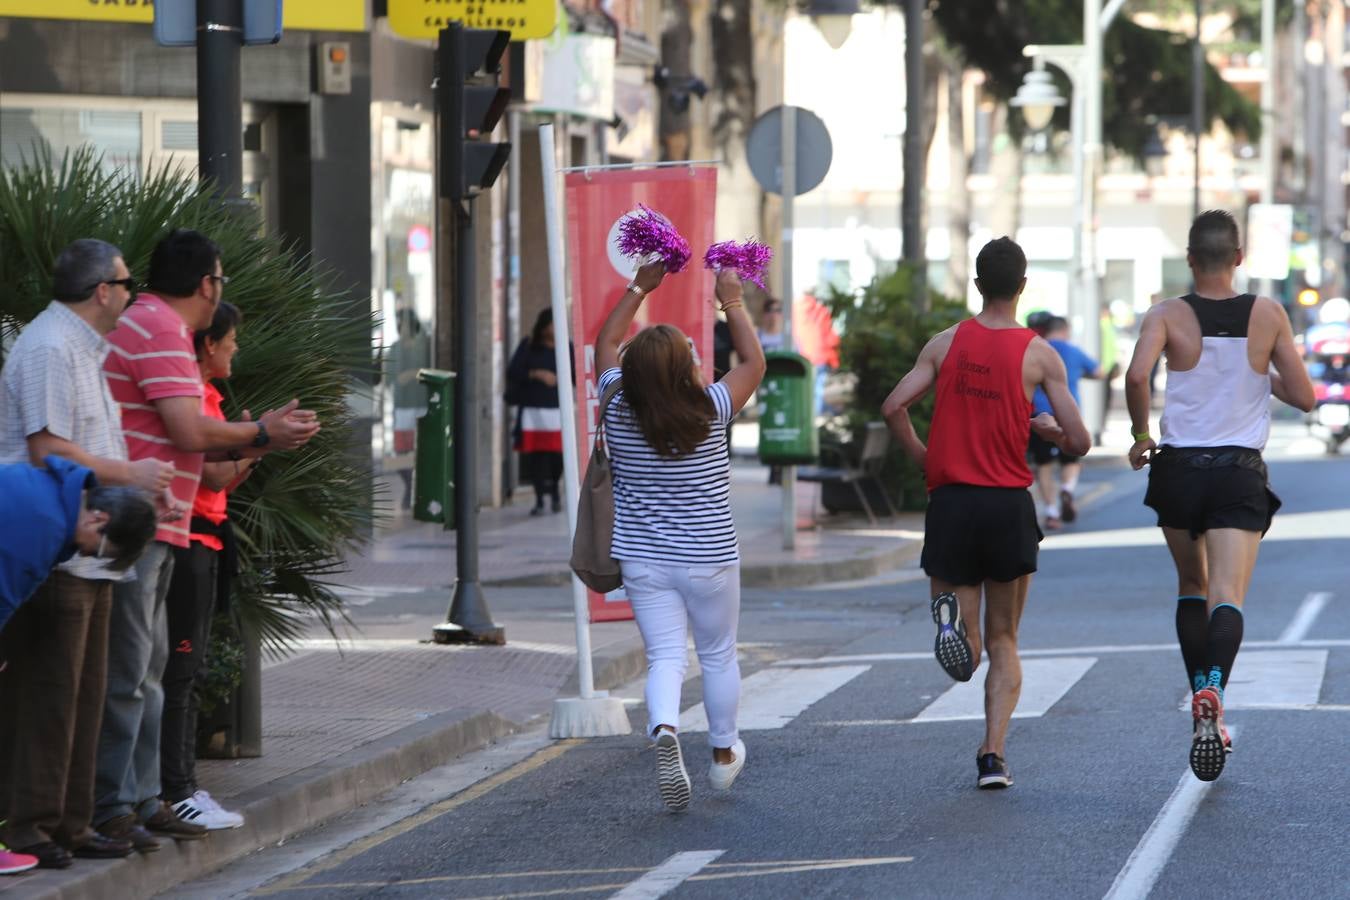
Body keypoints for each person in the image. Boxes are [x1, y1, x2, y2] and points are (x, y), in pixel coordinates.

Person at [95, 229, 320, 850]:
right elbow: (189, 431)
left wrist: (258, 436)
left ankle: (143, 799)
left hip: (159, 521)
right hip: (143, 521)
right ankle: (119, 805)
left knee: (151, 669)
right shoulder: (161, 327)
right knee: (135, 671)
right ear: (207, 284)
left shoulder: (149, 324)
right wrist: (262, 431)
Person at [881, 237, 1090, 790]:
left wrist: (929, 460)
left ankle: (954, 629)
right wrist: (1043, 426)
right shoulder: (1039, 353)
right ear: (1022, 287)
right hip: (1006, 505)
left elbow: (893, 406)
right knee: (1005, 641)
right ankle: (992, 756)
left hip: (951, 501)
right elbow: (1080, 440)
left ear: (977, 285)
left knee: (967, 642)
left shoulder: (945, 343)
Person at [0, 238, 174, 869]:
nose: (131, 294)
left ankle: (72, 824)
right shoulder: (49, 347)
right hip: (59, 548)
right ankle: (32, 829)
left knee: (86, 692)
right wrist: (129, 477)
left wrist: (137, 498)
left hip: (94, 546)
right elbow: (48, 451)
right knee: (50, 694)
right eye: (127, 284)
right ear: (103, 290)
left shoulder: (83, 347)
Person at [1124, 210, 1314, 783]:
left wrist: (1140, 436)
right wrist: (1260, 370)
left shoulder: (1167, 314)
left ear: (1189, 259)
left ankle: (1199, 705)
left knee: (1191, 586)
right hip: (1237, 471)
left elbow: (1136, 377)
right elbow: (1304, 397)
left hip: (1179, 468)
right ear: (1238, 258)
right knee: (1227, 594)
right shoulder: (1268, 313)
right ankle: (1213, 691)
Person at [594, 260, 766, 812]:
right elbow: (754, 362)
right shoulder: (712, 408)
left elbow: (606, 342)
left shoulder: (616, 405)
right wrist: (731, 299)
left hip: (643, 559)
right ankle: (721, 755)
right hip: (710, 558)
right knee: (717, 654)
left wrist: (641, 286)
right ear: (683, 369)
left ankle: (664, 727)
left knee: (666, 656)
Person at [159, 302, 252, 831]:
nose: (236, 347)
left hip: (206, 541)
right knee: (180, 673)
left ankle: (182, 786)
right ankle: (176, 790)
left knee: (185, 674)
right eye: (231, 338)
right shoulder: (193, 396)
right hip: (188, 541)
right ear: (209, 344)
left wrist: (247, 445)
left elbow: (220, 480)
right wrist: (260, 442)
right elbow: (213, 478)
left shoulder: (209, 396)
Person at [0, 459, 155, 633]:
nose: (85, 554)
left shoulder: (52, 488)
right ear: (97, 519)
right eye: (99, 552)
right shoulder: (48, 529)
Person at [1028, 316, 1101, 529]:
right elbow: (1099, 371)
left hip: (1039, 415)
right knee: (1071, 461)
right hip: (1068, 415)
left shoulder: (1035, 349)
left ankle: (1051, 512)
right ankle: (1068, 488)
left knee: (1044, 465)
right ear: (1065, 330)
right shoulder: (1073, 351)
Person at [507, 309, 565, 515]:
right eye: (550, 324)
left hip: (557, 411)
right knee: (537, 457)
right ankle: (540, 498)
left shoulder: (565, 347)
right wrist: (536, 374)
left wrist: (560, 378)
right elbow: (513, 371)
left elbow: (575, 374)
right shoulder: (529, 345)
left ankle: (555, 491)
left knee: (558, 456)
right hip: (533, 410)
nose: (552, 329)